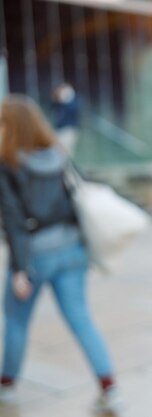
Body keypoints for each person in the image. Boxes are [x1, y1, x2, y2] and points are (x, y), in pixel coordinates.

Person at [0, 94, 121, 414]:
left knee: (15, 321)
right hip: (71, 250)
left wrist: (19, 270)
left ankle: (7, 386)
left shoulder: (7, 161)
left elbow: (13, 220)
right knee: (81, 319)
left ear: (9, 126)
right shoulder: (58, 154)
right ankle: (109, 386)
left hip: (34, 256)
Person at [51, 82, 80, 156]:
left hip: (69, 129)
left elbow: (73, 110)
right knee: (58, 150)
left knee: (66, 151)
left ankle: (67, 166)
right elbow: (52, 106)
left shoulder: (74, 101)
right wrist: (58, 98)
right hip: (59, 128)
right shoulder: (59, 102)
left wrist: (66, 99)